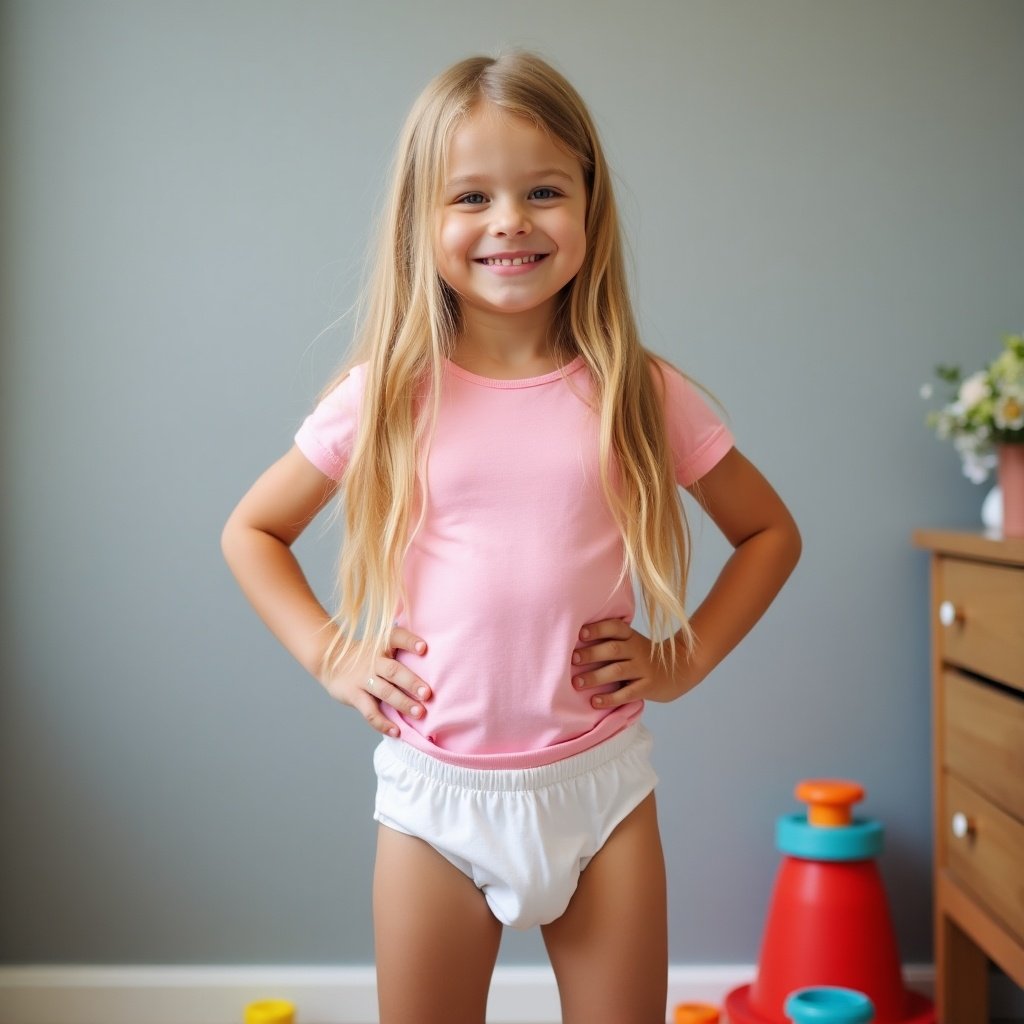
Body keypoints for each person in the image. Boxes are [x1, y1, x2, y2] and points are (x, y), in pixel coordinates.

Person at [222, 51, 801, 1024]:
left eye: (542, 190)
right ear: (422, 218)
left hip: (600, 792)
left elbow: (768, 532)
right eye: (471, 197)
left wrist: (681, 657)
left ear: (589, 204)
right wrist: (330, 651)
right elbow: (253, 529)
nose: (509, 222)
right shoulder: (388, 394)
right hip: (433, 803)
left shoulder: (638, 390)